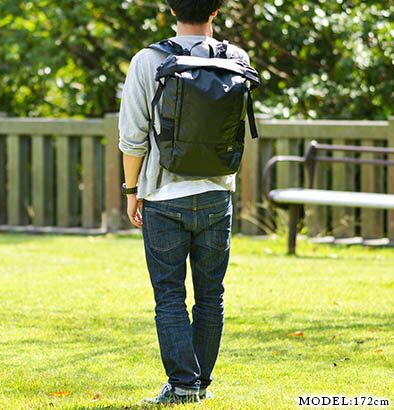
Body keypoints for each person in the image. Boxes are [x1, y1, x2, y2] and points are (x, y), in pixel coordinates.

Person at [118, 0, 250, 404]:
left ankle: (182, 386)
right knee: (211, 295)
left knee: (170, 295)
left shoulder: (147, 60)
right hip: (216, 194)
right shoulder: (236, 59)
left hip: (163, 194)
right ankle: (199, 383)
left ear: (172, 10)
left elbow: (133, 138)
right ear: (215, 11)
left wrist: (131, 191)